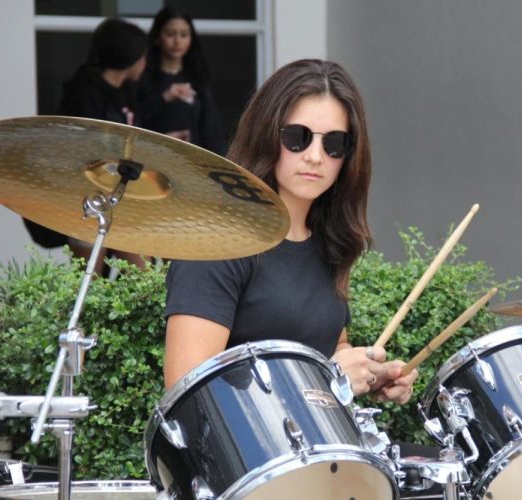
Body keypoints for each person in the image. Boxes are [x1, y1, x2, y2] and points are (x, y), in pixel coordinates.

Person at [163, 59, 418, 403]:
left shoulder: (329, 242)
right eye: (297, 138)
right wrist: (330, 378)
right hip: (245, 453)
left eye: (334, 144)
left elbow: (330, 345)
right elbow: (187, 390)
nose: (315, 156)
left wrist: (366, 375)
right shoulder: (219, 242)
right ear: (265, 134)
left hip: (314, 449)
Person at [23, 17, 149, 272]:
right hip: (88, 191)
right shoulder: (86, 91)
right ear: (131, 54)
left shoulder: (125, 90)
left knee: (136, 267)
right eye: (143, 53)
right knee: (90, 271)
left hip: (117, 191)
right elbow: (80, 145)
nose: (146, 61)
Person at [138, 6, 227, 154]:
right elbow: (133, 120)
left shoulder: (197, 77)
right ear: (157, 37)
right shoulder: (143, 76)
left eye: (184, 35)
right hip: (151, 157)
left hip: (190, 159)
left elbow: (211, 128)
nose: (177, 41)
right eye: (170, 34)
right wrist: (164, 97)